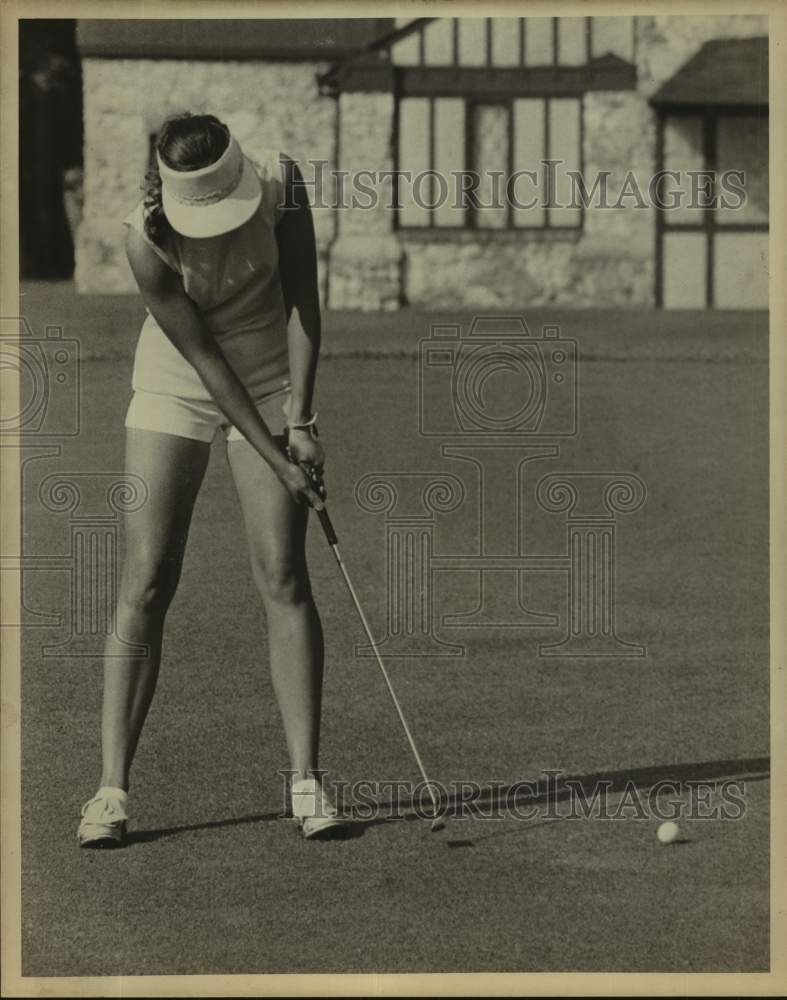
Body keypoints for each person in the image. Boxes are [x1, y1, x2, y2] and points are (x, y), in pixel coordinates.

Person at [78, 112, 346, 845]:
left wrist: (302, 419)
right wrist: (272, 455)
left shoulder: (282, 185)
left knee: (283, 572)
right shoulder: (146, 243)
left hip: (268, 380)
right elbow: (203, 362)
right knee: (148, 576)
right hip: (178, 382)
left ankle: (305, 781)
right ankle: (110, 790)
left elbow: (302, 304)